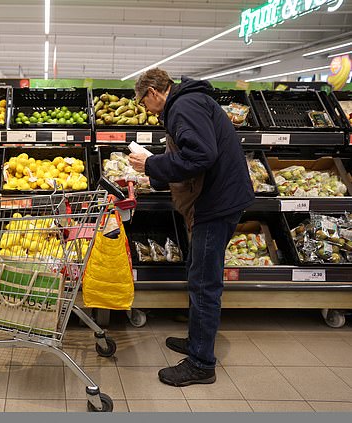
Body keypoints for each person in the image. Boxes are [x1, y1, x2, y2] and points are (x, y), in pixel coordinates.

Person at [128, 68, 254, 387]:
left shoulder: (184, 105)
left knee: (204, 283)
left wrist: (151, 164)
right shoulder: (187, 103)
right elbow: (187, 154)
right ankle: (197, 341)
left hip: (215, 203)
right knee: (199, 274)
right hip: (215, 198)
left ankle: (201, 363)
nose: (146, 110)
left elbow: (201, 155)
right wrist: (154, 173)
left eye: (144, 103)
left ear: (154, 93)